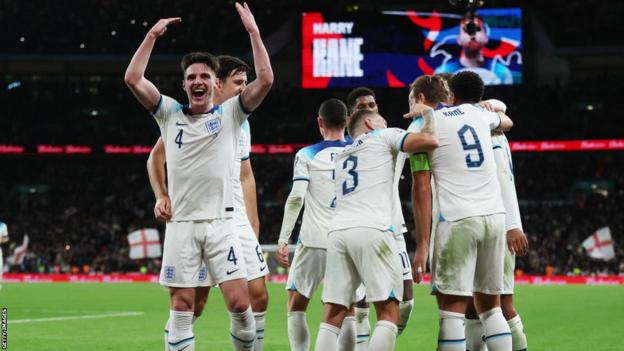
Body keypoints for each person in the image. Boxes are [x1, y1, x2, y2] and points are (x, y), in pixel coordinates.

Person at [124, 2, 273, 350]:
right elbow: (132, 78)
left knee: (240, 305)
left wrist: (253, 31)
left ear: (216, 82)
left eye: (204, 75)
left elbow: (266, 79)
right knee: (182, 307)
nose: (197, 81)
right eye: (191, 76)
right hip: (182, 226)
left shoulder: (232, 115)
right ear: (184, 84)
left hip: (222, 224)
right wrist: (150, 36)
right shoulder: (169, 114)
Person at [147, 55, 269, 351]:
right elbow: (156, 157)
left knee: (257, 294)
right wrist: (161, 194)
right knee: (194, 304)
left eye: (245, 83)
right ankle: (176, 338)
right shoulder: (186, 119)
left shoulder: (241, 121)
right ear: (220, 83)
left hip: (232, 217)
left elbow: (246, 176)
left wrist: (252, 224)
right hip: (196, 217)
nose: (242, 88)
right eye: (238, 82)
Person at [314, 109, 438, 351]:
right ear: (370, 124)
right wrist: (429, 116)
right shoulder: (384, 135)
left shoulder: (343, 154)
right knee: (389, 312)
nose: (387, 122)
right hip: (372, 228)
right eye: (383, 120)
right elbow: (430, 141)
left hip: (338, 232)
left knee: (333, 314)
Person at [407, 71, 513, 351]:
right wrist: (491, 106)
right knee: (492, 309)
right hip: (494, 218)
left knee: (452, 310)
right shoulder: (479, 115)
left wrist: (422, 244)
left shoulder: (425, 125)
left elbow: (421, 188)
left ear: (451, 94)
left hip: (457, 219)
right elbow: (507, 121)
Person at [276, 98, 353, 351]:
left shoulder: (307, 154)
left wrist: (284, 238)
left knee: (296, 303)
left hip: (315, 240)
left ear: (320, 122)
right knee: (346, 307)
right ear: (347, 121)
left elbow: (297, 196)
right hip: (349, 237)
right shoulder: (359, 150)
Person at [346, 86, 416, 346]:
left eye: (372, 105)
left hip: (392, 228)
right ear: (352, 112)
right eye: (363, 106)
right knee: (360, 304)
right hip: (358, 228)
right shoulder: (343, 147)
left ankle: (380, 340)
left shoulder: (388, 137)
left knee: (406, 300)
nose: (368, 109)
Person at [464, 102, 529, 351]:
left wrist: (513, 225)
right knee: (473, 305)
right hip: (482, 222)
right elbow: (503, 111)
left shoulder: (490, 136)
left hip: (498, 224)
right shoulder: (486, 129)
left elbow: (503, 178)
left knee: (501, 303)